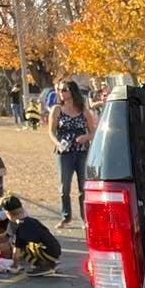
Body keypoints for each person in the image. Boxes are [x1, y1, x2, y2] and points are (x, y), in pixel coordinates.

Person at [48, 78, 98, 227]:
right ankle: (66, 216)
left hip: (82, 152)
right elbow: (51, 131)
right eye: (60, 90)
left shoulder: (83, 110)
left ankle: (85, 218)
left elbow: (93, 132)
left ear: (72, 91)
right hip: (64, 153)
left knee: (83, 187)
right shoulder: (57, 109)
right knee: (64, 187)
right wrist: (58, 143)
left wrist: (86, 137)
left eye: (64, 90)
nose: (61, 93)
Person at [0, 195, 61, 271]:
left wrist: (14, 267)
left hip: (48, 253)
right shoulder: (32, 220)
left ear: (8, 214)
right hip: (55, 250)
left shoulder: (20, 228)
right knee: (25, 244)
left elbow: (16, 252)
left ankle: (43, 266)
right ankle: (49, 263)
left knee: (19, 247)